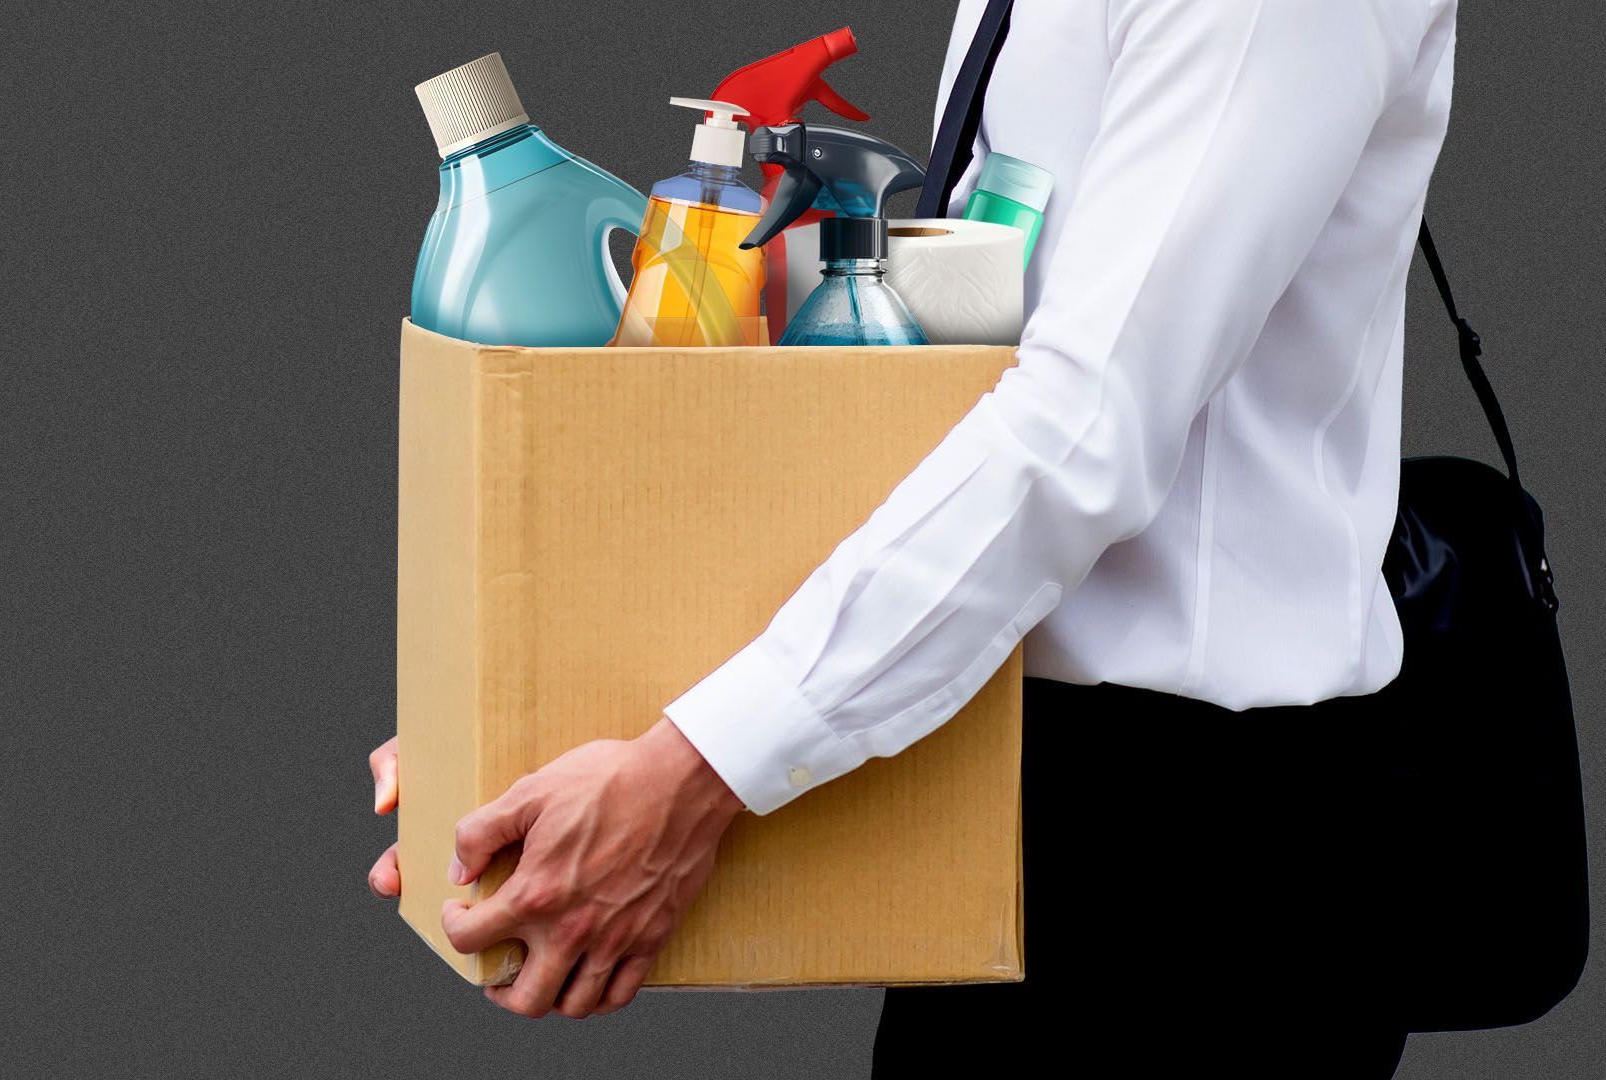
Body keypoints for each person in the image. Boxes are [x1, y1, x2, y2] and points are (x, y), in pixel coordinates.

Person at [369, 0, 1457, 1073]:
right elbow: (963, 376)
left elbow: (1081, 434)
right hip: (993, 756)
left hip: (1203, 859)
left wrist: (693, 768)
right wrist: (546, 703)